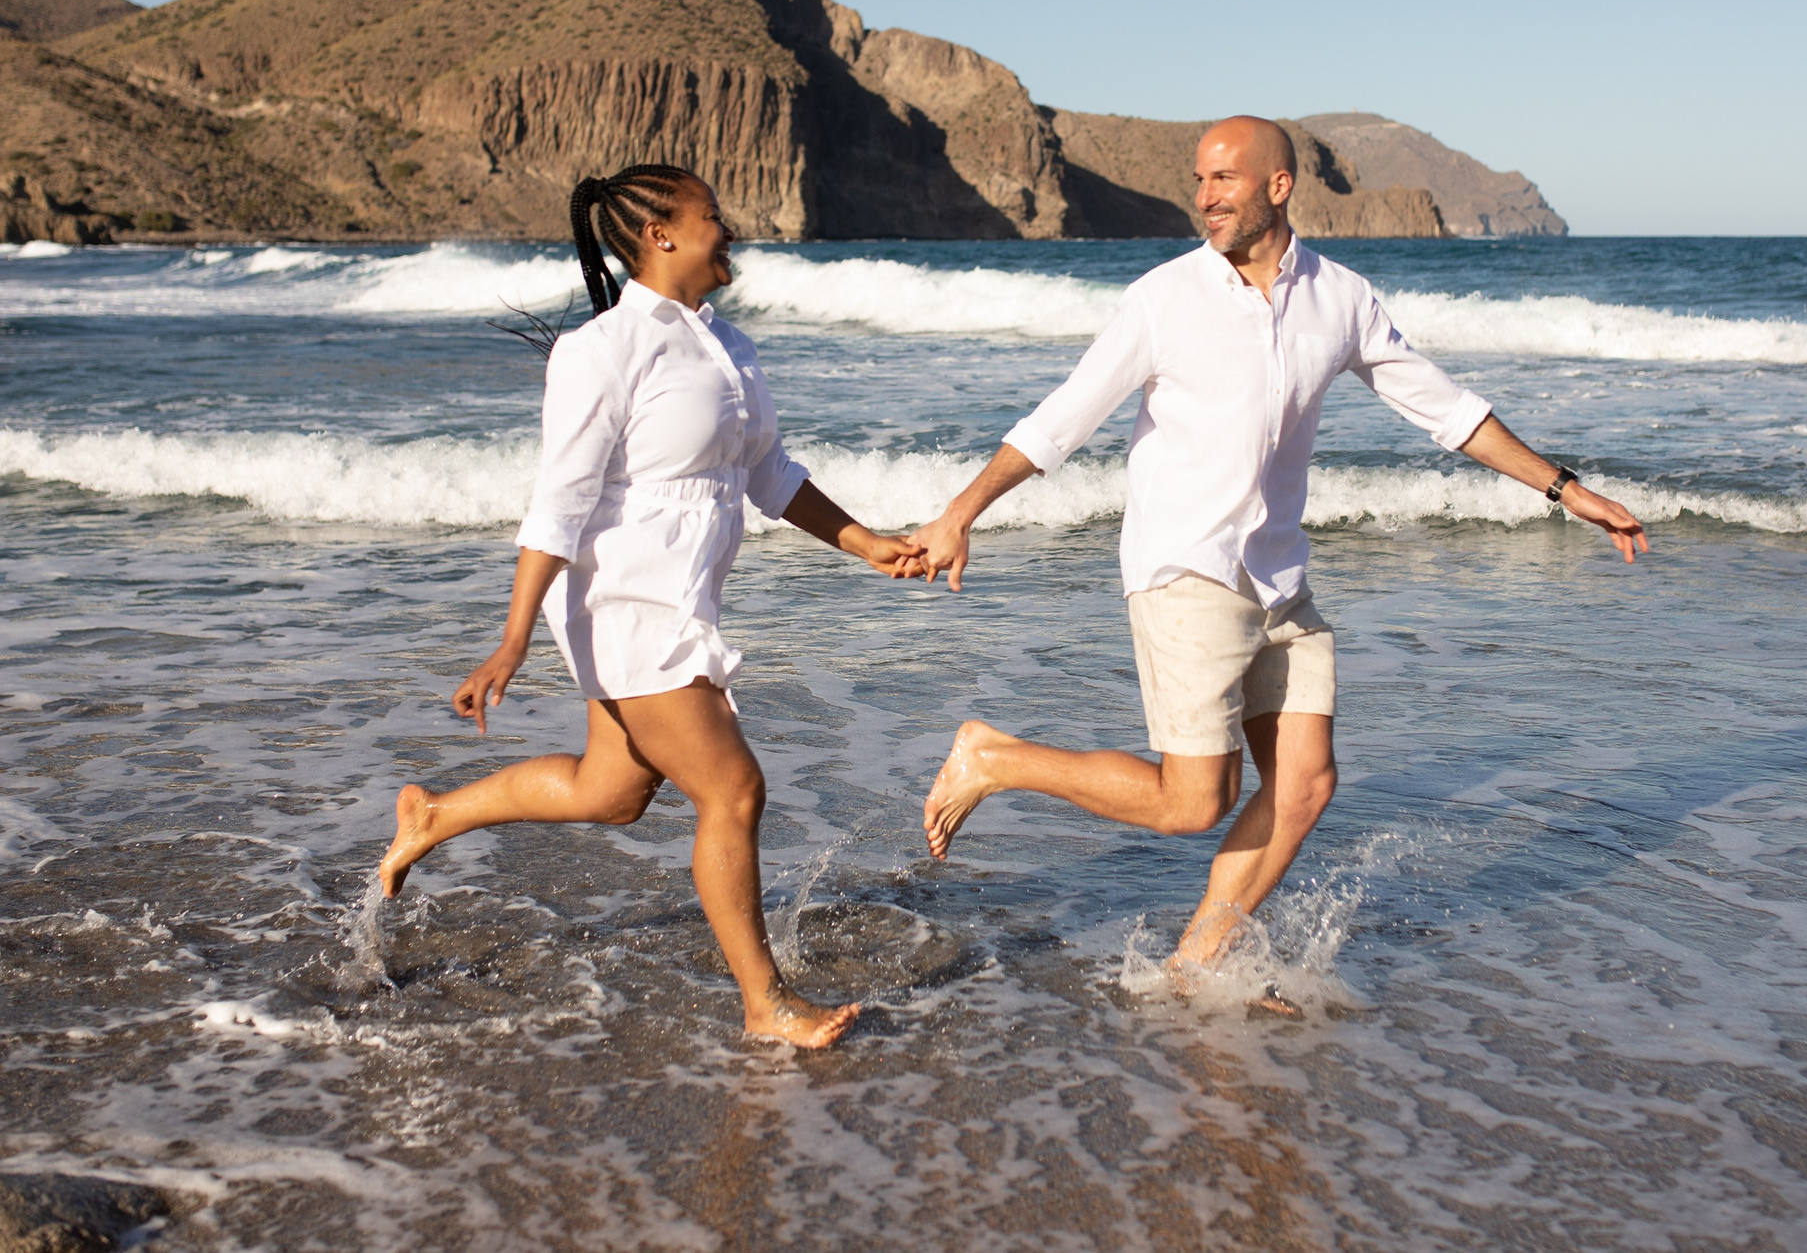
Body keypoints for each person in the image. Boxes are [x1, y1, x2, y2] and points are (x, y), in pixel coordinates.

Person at [909, 117, 1647, 986]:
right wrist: (961, 510)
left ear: (1279, 186)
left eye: (1224, 178)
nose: (1206, 196)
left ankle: (1193, 965)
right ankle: (994, 756)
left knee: (1303, 787)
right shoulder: (1163, 298)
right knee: (1196, 803)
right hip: (1186, 568)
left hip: (1278, 577)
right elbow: (1061, 420)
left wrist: (1566, 489)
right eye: (1200, 179)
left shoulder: (1341, 297)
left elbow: (1447, 411)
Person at [377, 164, 927, 1050]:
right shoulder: (602, 351)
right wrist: (512, 640)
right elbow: (556, 505)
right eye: (713, 215)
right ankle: (765, 1003)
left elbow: (771, 475)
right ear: (661, 235)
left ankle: (433, 815)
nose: (730, 229)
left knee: (613, 792)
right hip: (622, 602)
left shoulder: (728, 346)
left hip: (679, 601)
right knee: (733, 786)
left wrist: (865, 541)